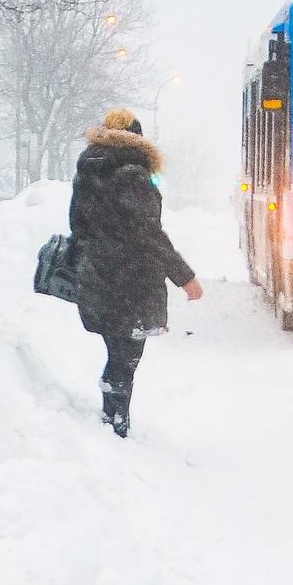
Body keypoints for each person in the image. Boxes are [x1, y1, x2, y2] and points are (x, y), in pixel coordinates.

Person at [68, 107, 201, 437]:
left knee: (118, 351)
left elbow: (77, 225)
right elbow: (147, 234)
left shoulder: (87, 171)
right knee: (127, 355)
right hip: (130, 278)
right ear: (137, 137)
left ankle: (111, 416)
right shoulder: (132, 173)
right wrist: (184, 276)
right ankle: (116, 424)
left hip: (98, 274)